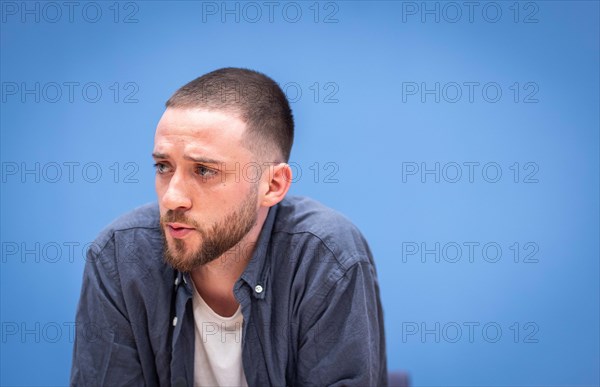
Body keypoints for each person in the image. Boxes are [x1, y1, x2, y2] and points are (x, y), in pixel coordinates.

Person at [70, 67, 388, 386]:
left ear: (273, 185)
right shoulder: (119, 257)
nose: (172, 197)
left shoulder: (326, 258)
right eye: (163, 167)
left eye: (205, 171)